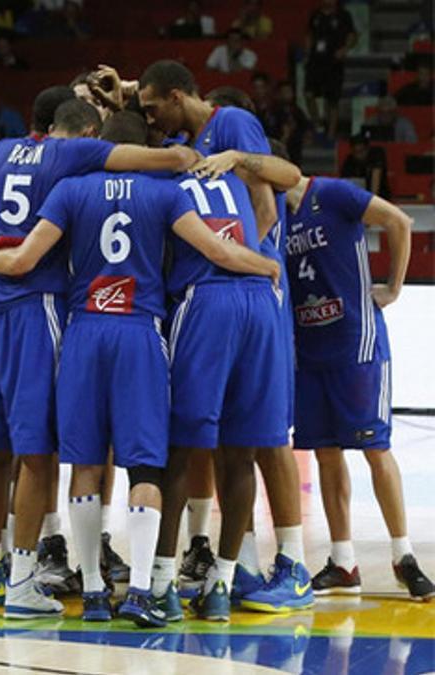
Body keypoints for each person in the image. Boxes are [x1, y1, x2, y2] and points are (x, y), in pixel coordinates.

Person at [0, 111, 280, 627]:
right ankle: (141, 590)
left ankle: (93, 589)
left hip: (85, 331)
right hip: (139, 332)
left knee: (86, 465)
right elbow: (213, 248)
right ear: (141, 150)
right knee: (144, 465)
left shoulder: (71, 190)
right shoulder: (163, 193)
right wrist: (265, 263)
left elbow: (26, 256)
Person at [0, 99, 200, 618]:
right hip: (40, 305)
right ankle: (24, 580)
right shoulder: (75, 158)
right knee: (36, 452)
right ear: (86, 133)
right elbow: (169, 163)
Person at [139, 59, 313, 619]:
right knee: (244, 446)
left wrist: (249, 259)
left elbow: (267, 200)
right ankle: (223, 579)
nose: (152, 123)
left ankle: (165, 581)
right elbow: (275, 190)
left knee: (188, 447)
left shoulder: (206, 146)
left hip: (217, 294)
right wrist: (255, 265)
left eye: (151, 109)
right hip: (257, 300)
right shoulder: (218, 165)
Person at [283, 174, 434, 602]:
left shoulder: (331, 193)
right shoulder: (277, 214)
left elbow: (399, 221)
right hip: (309, 349)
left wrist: (394, 288)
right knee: (326, 452)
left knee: (375, 448)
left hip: (356, 344)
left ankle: (403, 555)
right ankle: (343, 561)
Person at [304, 0, 358, 139]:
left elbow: (352, 35)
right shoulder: (315, 15)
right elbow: (309, 34)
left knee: (332, 99)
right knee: (309, 94)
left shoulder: (343, 15)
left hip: (333, 61)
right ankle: (317, 125)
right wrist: (307, 51)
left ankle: (331, 133)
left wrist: (344, 50)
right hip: (315, 61)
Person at [340, 132, 390, 198]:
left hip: (380, 197)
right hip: (358, 199)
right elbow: (345, 184)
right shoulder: (349, 162)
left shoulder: (377, 153)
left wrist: (373, 200)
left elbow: (376, 175)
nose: (359, 156)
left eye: (361, 151)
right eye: (356, 152)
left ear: (367, 148)